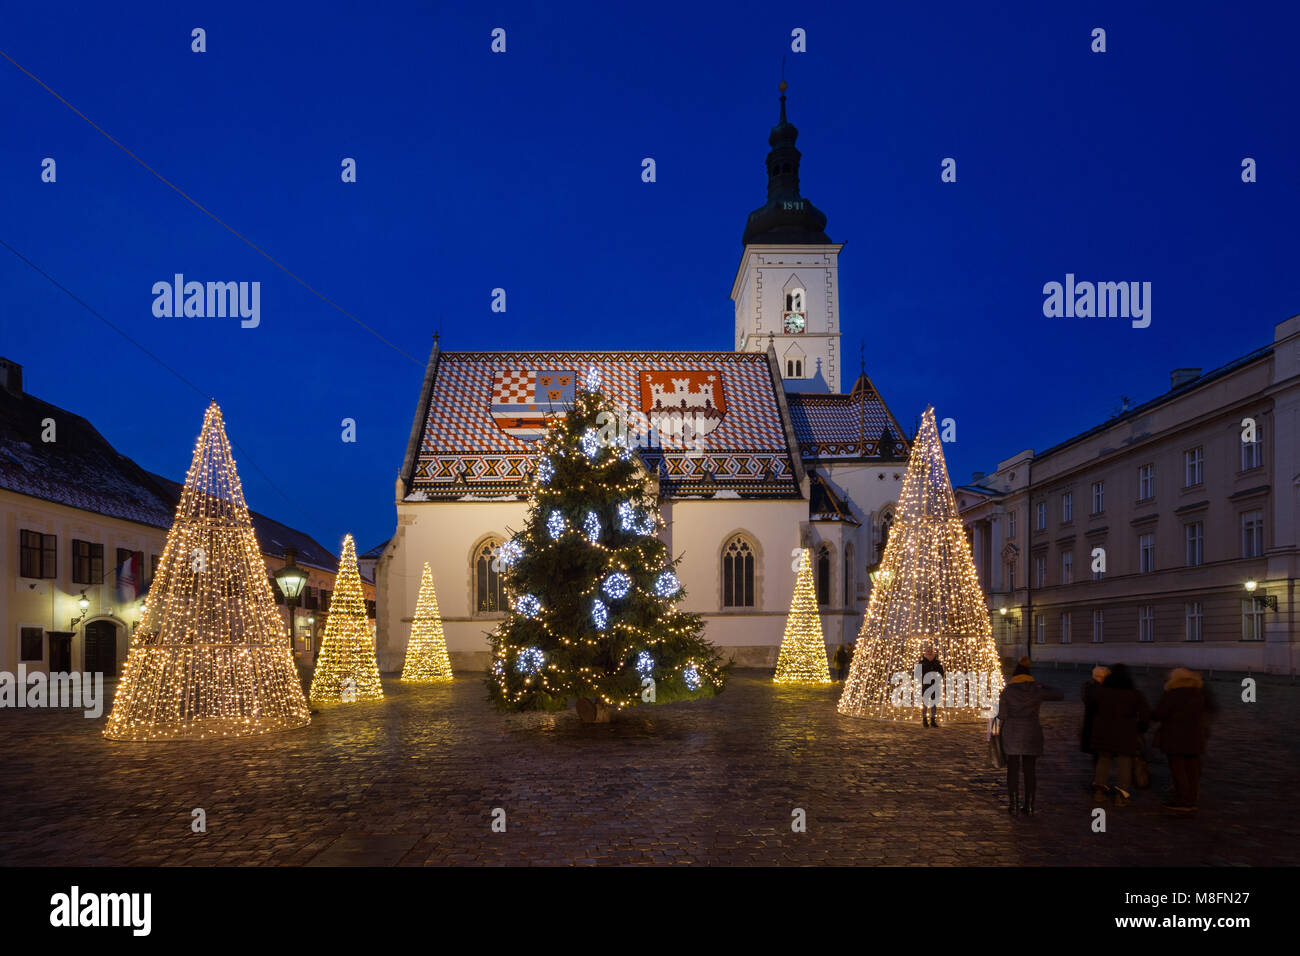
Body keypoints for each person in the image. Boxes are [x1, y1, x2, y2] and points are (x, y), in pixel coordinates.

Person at [996, 657, 1064, 816]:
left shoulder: (1008, 691)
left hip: (1012, 733)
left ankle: (1013, 804)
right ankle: (1030, 805)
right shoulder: (1036, 690)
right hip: (1032, 732)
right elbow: (1059, 694)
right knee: (1030, 771)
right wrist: (1043, 685)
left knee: (1012, 771)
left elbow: (1002, 715)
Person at [1152, 667, 1216, 812]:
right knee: (1193, 770)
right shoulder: (1200, 694)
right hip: (1196, 737)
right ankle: (1191, 800)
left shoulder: (1172, 694)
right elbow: (1210, 711)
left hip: (1174, 738)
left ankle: (1182, 800)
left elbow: (1159, 714)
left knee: (1178, 770)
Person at [1090, 663, 1150, 807]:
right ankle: (1121, 795)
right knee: (1125, 763)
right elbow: (1145, 714)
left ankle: (1099, 792)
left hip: (1104, 730)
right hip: (1126, 732)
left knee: (1103, 761)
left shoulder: (1101, 692)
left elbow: (1092, 709)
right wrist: (1140, 728)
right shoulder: (1134, 694)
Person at [1080, 666, 1110, 781]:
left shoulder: (1088, 686)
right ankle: (1100, 779)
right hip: (1097, 724)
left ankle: (1099, 777)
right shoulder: (1096, 689)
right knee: (1099, 754)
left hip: (1092, 724)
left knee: (1097, 754)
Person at [919, 644, 945, 727]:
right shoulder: (922, 663)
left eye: (931, 651)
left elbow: (941, 672)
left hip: (935, 684)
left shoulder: (937, 662)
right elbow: (918, 674)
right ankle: (924, 719)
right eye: (928, 651)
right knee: (925, 703)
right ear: (925, 652)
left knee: (934, 703)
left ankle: (933, 720)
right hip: (926, 684)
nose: (929, 652)